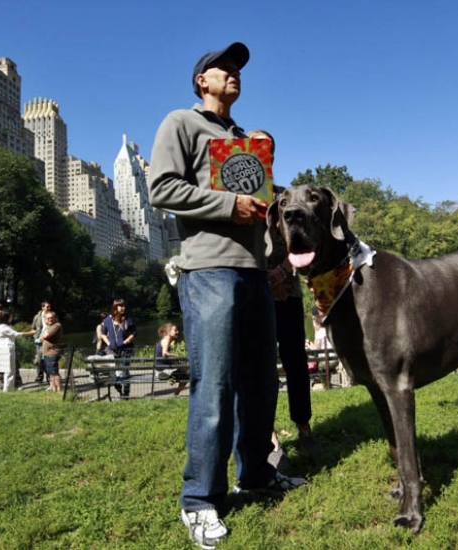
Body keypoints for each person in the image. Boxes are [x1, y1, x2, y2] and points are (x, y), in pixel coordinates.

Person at [148, 41, 304, 548]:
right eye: (225, 68)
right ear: (202, 81)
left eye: (238, 69)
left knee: (261, 381)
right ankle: (199, 500)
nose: (235, 74)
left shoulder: (246, 140)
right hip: (207, 270)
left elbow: (258, 209)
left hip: (254, 273)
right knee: (213, 387)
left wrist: (275, 261)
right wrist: (224, 204)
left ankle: (255, 473)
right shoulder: (180, 123)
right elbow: (161, 189)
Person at [249, 129, 318, 468]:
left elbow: (304, 241)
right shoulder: (237, 196)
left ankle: (303, 425)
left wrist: (283, 272)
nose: (262, 152)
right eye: (254, 144)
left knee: (295, 363)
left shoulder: (286, 197)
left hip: (288, 292)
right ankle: (269, 435)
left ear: (272, 154)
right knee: (261, 368)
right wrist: (264, 278)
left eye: (267, 147)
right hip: (254, 294)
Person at [0, 310, 35, 392]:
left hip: (5, 349)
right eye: (11, 316)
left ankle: (7, 388)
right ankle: (8, 389)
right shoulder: (4, 327)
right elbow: (17, 334)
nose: (12, 318)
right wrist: (31, 333)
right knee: (10, 370)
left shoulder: (4, 326)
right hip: (7, 349)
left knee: (8, 370)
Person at [101, 299, 136, 398]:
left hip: (126, 350)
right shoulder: (108, 320)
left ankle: (126, 393)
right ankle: (119, 391)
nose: (123, 308)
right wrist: (109, 343)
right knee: (112, 373)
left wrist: (125, 342)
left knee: (125, 370)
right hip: (112, 350)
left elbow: (134, 333)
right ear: (115, 307)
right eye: (120, 306)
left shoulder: (128, 319)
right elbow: (103, 334)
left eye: (124, 306)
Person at [155, 323, 187, 396]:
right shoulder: (166, 340)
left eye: (177, 330)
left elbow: (166, 358)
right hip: (163, 372)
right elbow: (164, 353)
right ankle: (175, 393)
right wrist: (175, 355)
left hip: (161, 370)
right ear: (168, 332)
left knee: (185, 372)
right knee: (187, 375)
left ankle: (175, 391)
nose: (177, 332)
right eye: (175, 330)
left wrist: (176, 361)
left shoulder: (166, 340)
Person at [39, 310, 64, 393]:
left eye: (51, 318)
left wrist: (43, 336)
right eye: (48, 318)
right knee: (50, 373)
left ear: (55, 318)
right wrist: (43, 337)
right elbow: (40, 338)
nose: (50, 319)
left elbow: (46, 336)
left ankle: (59, 390)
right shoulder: (49, 326)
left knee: (54, 372)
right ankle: (53, 389)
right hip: (47, 353)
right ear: (45, 319)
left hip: (53, 353)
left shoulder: (56, 325)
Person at [31, 301, 52, 383]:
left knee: (48, 358)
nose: (49, 308)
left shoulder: (52, 316)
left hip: (48, 340)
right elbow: (33, 328)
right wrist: (35, 337)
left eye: (50, 307)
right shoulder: (37, 317)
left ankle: (49, 376)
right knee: (39, 359)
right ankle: (39, 376)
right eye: (47, 307)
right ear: (42, 307)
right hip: (39, 341)